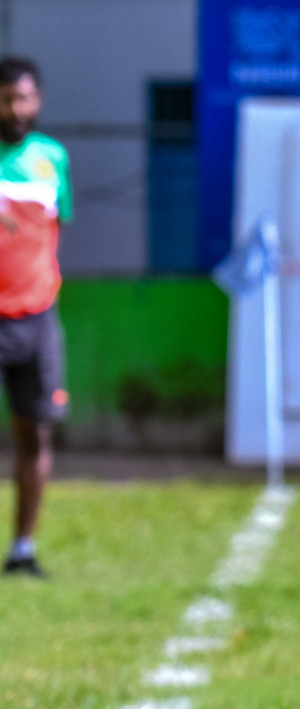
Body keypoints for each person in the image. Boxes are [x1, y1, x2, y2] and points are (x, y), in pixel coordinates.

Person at [0, 57, 70, 578]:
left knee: (35, 434)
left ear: (37, 100)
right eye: (6, 98)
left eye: (24, 98)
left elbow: (55, 230)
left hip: (39, 317)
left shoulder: (52, 159)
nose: (16, 109)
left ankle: (22, 549)